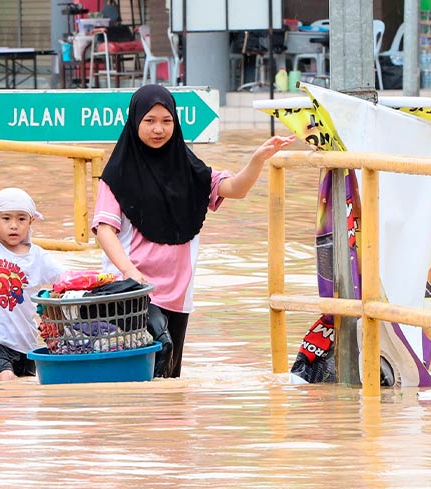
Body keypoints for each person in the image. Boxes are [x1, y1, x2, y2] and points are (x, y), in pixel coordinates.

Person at [92, 84, 294, 378]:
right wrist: (129, 271)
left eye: (166, 121)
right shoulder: (116, 175)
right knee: (155, 355)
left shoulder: (190, 169)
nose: (159, 129)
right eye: (149, 121)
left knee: (169, 376)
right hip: (132, 290)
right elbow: (105, 230)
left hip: (178, 293)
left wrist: (257, 160)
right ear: (135, 121)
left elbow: (235, 189)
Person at [0, 144, 65, 381]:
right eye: (6, 218)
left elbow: (67, 281)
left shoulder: (39, 256)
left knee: (24, 393)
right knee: (6, 381)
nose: (14, 225)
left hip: (27, 344)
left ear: (31, 221)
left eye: (21, 219)